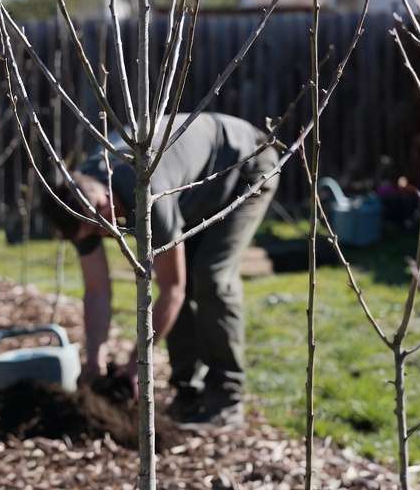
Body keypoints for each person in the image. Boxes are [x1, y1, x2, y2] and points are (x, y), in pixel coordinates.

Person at [41, 112, 279, 426]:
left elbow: (172, 288)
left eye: (102, 213)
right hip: (191, 192)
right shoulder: (76, 207)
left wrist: (136, 363)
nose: (108, 224)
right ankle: (188, 392)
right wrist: (95, 360)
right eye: (95, 231)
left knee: (209, 276)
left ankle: (226, 397)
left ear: (101, 192)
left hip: (244, 165)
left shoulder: (142, 187)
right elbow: (97, 290)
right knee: (177, 280)